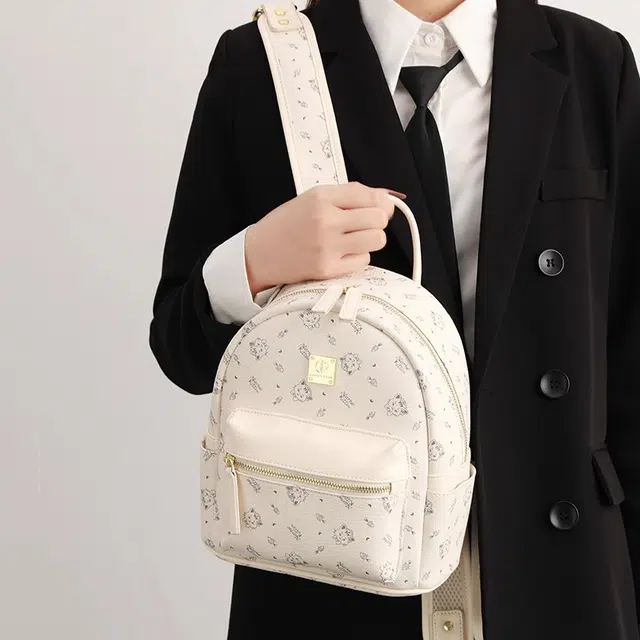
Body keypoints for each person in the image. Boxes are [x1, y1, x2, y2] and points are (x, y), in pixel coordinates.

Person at [148, 0, 640, 637]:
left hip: (563, 579)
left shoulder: (594, 63)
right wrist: (254, 261)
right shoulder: (264, 62)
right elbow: (180, 346)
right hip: (331, 574)